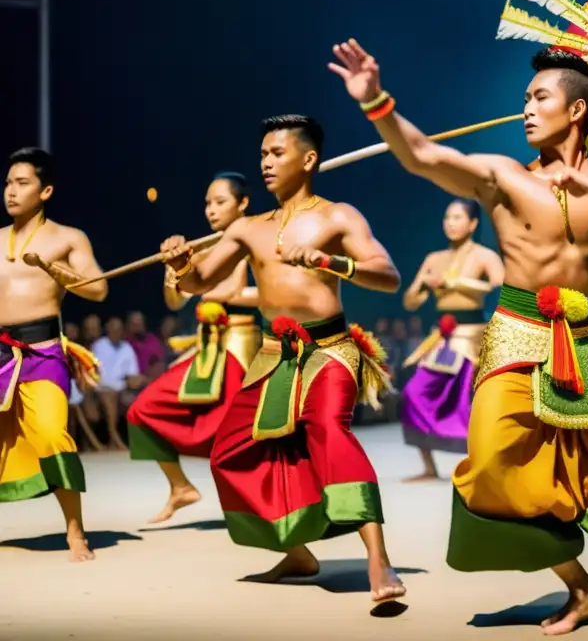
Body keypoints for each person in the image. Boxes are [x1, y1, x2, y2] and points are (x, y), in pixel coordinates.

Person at [330, 39, 588, 634]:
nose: (526, 107)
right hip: (516, 332)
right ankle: (580, 588)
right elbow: (423, 155)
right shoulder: (503, 176)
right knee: (494, 464)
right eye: (525, 98)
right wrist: (375, 100)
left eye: (539, 97)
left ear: (576, 110)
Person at [159, 115, 406, 604]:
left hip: (330, 350)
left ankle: (378, 556)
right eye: (263, 155)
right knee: (229, 452)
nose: (266, 163)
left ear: (308, 159)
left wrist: (327, 261)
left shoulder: (338, 217)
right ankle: (296, 551)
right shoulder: (248, 228)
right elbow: (199, 281)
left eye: (276, 154)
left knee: (330, 433)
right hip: (274, 354)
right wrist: (179, 262)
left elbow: (388, 275)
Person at [126, 172, 262, 524]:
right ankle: (180, 486)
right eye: (207, 203)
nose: (211, 210)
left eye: (220, 202)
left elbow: (254, 292)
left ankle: (263, 504)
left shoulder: (261, 237)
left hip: (243, 346)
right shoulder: (202, 246)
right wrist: (172, 270)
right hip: (208, 348)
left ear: (243, 203)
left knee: (244, 433)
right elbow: (175, 302)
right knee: (142, 410)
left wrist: (221, 291)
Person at [0, 147, 106, 561]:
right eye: (8, 182)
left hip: (44, 352)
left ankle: (75, 531)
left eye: (21, 182)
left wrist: (54, 268)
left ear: (45, 191)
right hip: (0, 351)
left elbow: (99, 289)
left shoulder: (67, 238)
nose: (10, 190)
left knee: (51, 434)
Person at [400, 197, 503, 481]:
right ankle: (429, 467)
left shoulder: (485, 256)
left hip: (473, 336)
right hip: (442, 337)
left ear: (472, 224)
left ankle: (484, 464)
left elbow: (498, 285)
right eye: (447, 218)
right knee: (413, 393)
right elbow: (411, 302)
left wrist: (455, 283)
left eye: (458, 218)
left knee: (473, 402)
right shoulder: (434, 259)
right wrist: (420, 285)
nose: (451, 223)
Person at [90, 316, 147, 449]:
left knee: (134, 396)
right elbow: (94, 372)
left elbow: (132, 374)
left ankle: (129, 440)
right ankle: (114, 438)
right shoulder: (99, 345)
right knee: (109, 396)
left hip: (121, 387)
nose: (117, 331)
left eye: (119, 329)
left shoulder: (127, 347)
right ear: (108, 330)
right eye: (113, 328)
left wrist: (134, 381)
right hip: (102, 387)